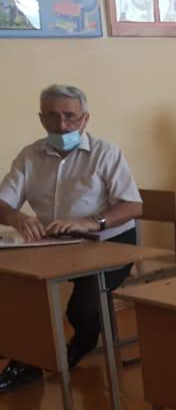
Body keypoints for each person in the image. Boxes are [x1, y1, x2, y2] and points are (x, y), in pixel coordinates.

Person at [0, 85, 144, 393]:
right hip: (53, 244)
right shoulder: (30, 155)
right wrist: (16, 217)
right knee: (19, 291)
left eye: (70, 116)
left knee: (82, 309)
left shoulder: (106, 153)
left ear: (85, 119)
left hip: (108, 243)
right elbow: (4, 203)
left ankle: (82, 342)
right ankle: (26, 358)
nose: (62, 125)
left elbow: (133, 206)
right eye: (53, 116)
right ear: (42, 119)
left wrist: (91, 222)